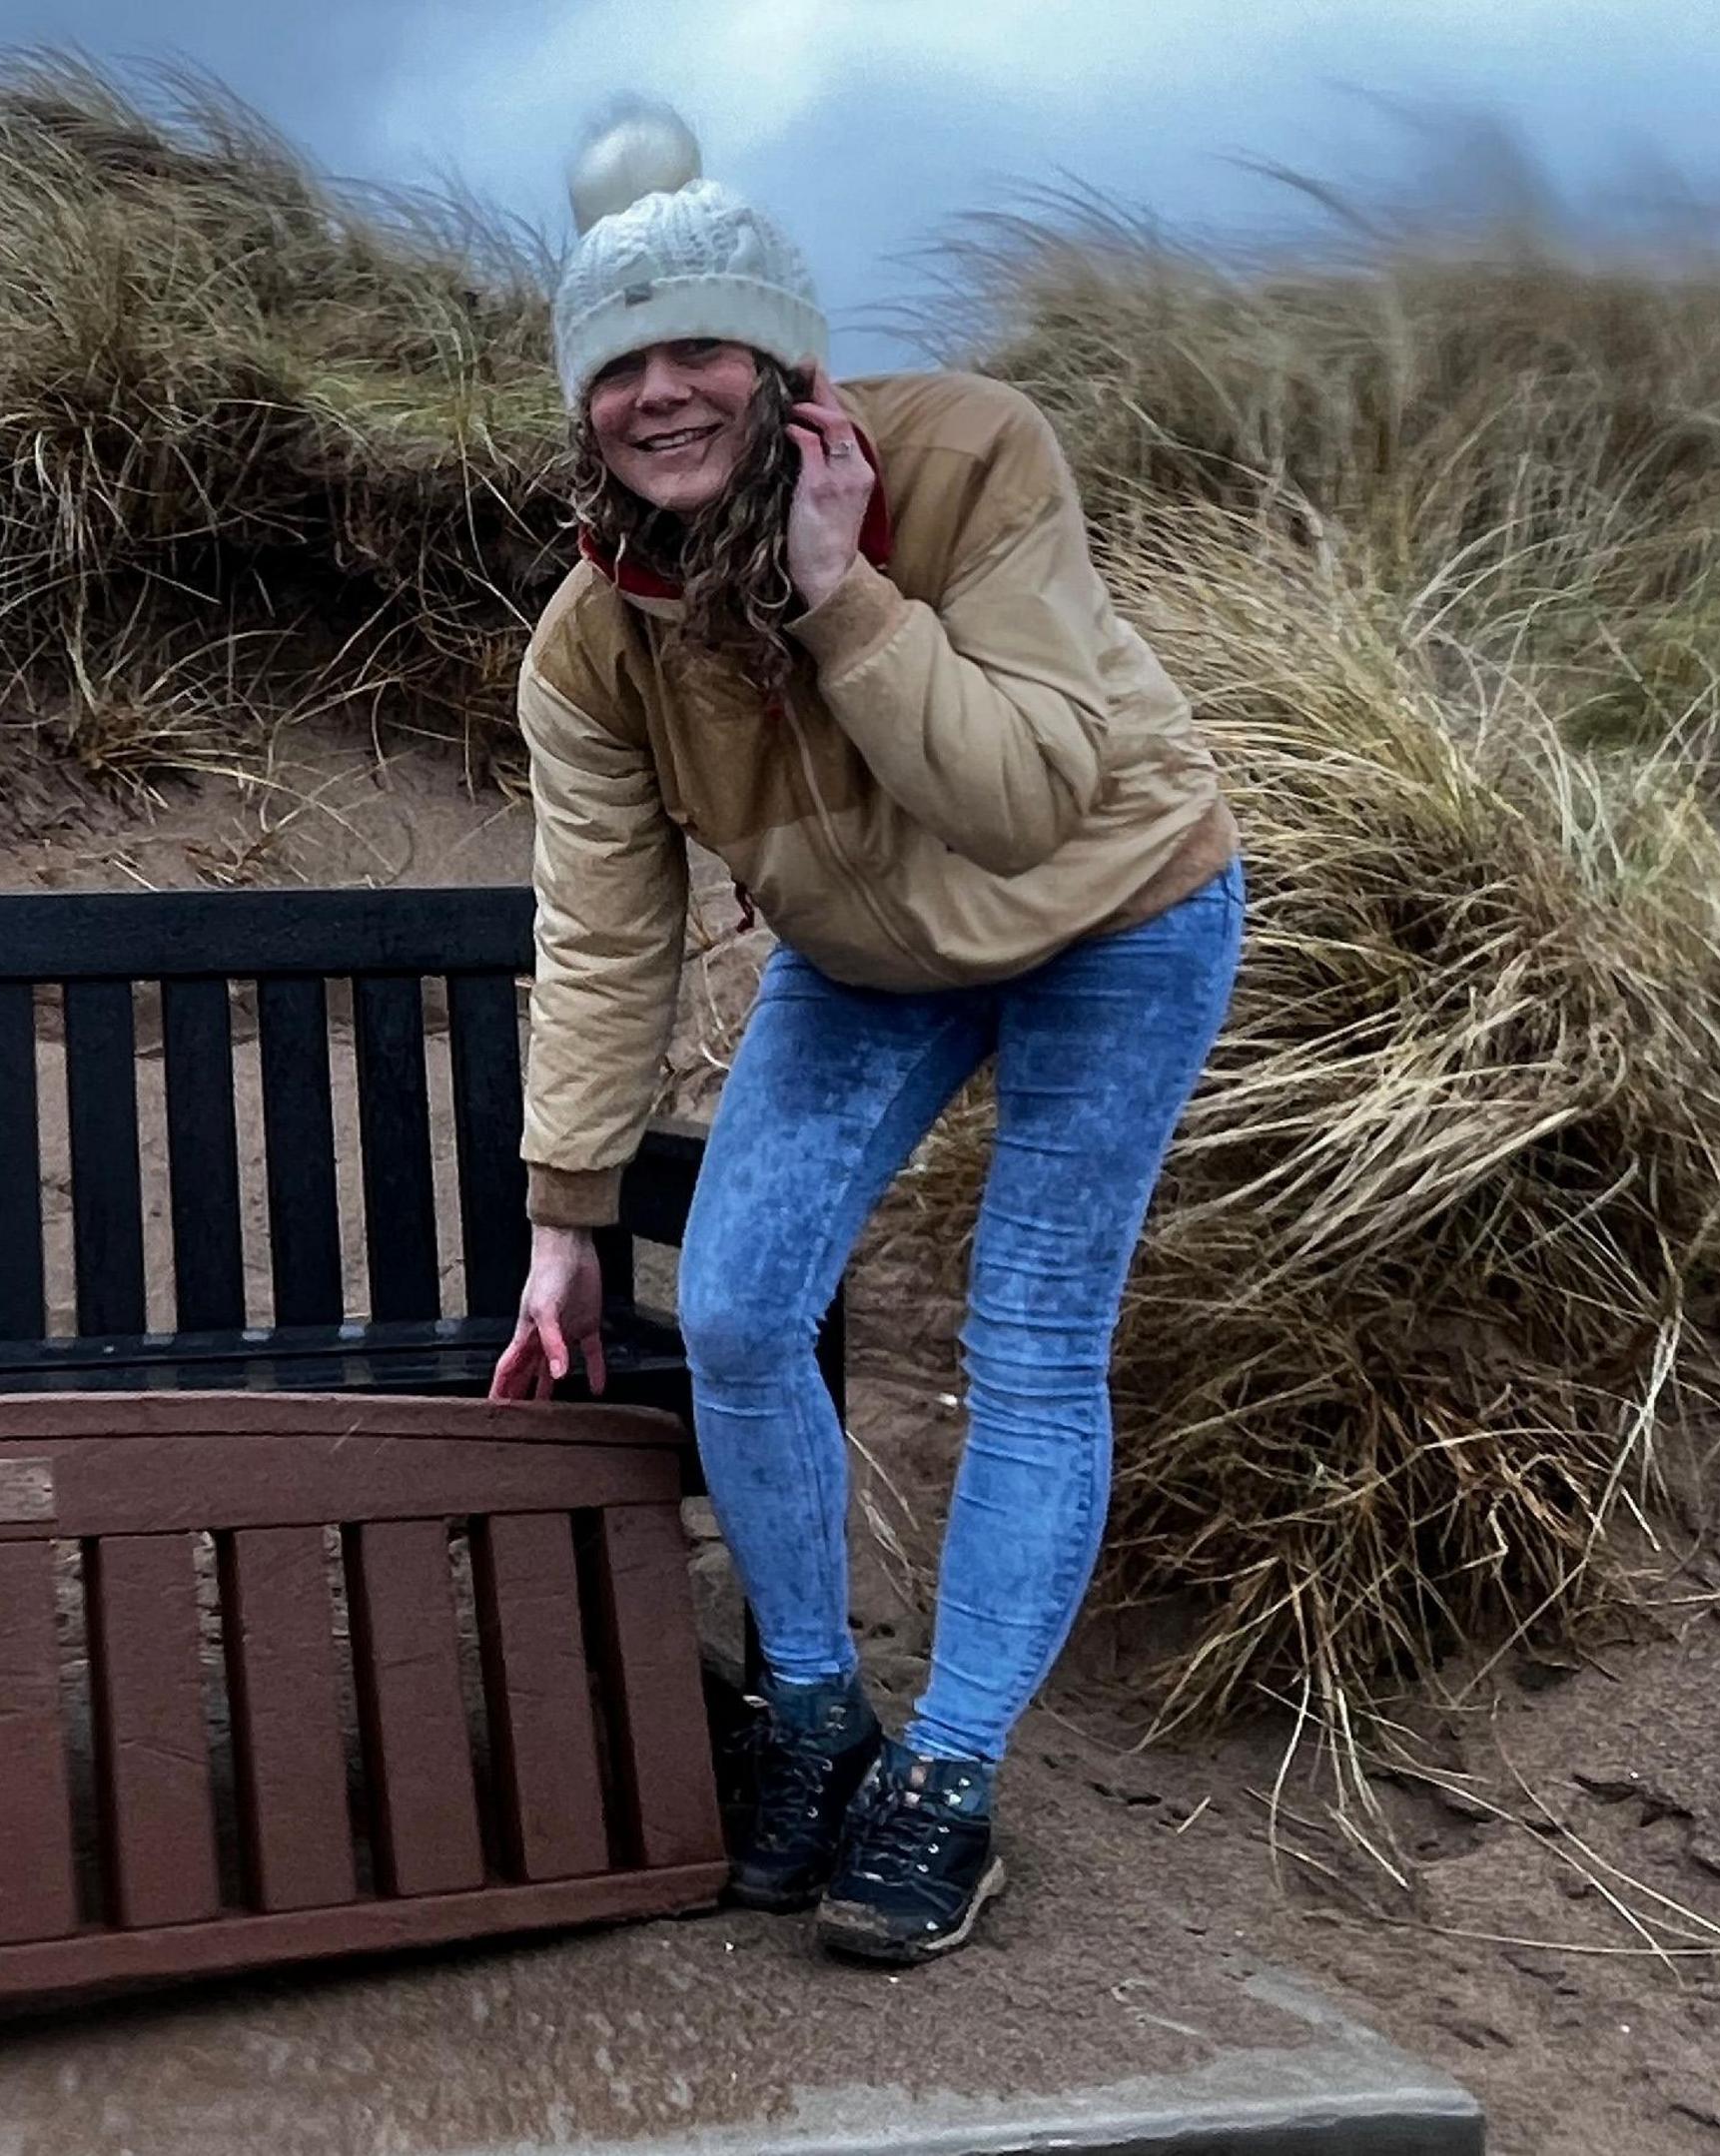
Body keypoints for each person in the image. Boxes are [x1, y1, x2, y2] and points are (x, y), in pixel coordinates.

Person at [485, 106, 1245, 1967]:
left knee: (1030, 1331)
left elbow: (1021, 798)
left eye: (702, 351)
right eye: (620, 367)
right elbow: (604, 930)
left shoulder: (972, 453)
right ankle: (816, 1721)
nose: (662, 395)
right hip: (866, 965)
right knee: (737, 1309)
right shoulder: (596, 640)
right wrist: (566, 1215)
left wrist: (841, 591)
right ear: (581, 403)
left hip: (1114, 914)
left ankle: (951, 1776)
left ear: (783, 358)